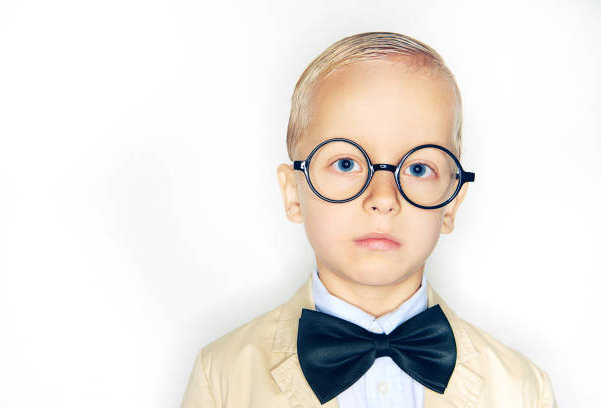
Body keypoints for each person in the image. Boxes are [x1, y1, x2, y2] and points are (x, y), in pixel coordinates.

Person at [180, 31, 558, 408]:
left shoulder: (522, 390)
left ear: (452, 202)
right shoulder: (222, 377)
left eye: (418, 167)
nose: (382, 199)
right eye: (346, 163)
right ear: (294, 193)